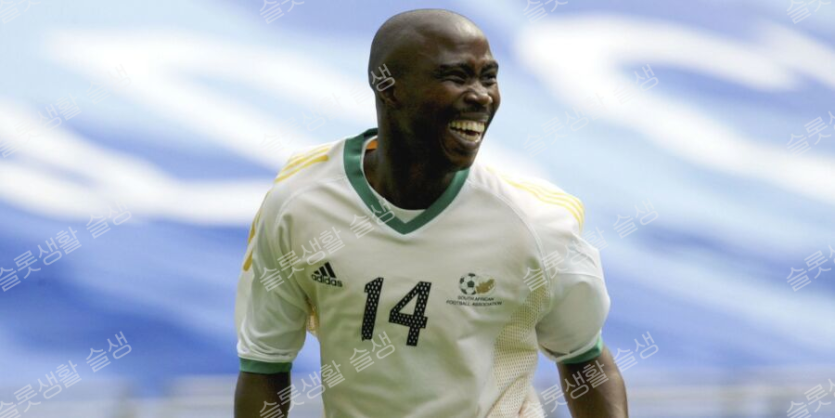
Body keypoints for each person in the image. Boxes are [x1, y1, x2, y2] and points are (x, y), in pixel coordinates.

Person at [234, 8, 628, 418]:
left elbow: (584, 358)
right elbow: (265, 364)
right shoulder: (299, 205)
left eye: (488, 77)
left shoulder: (536, 221)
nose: (481, 95)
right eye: (456, 76)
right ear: (389, 88)